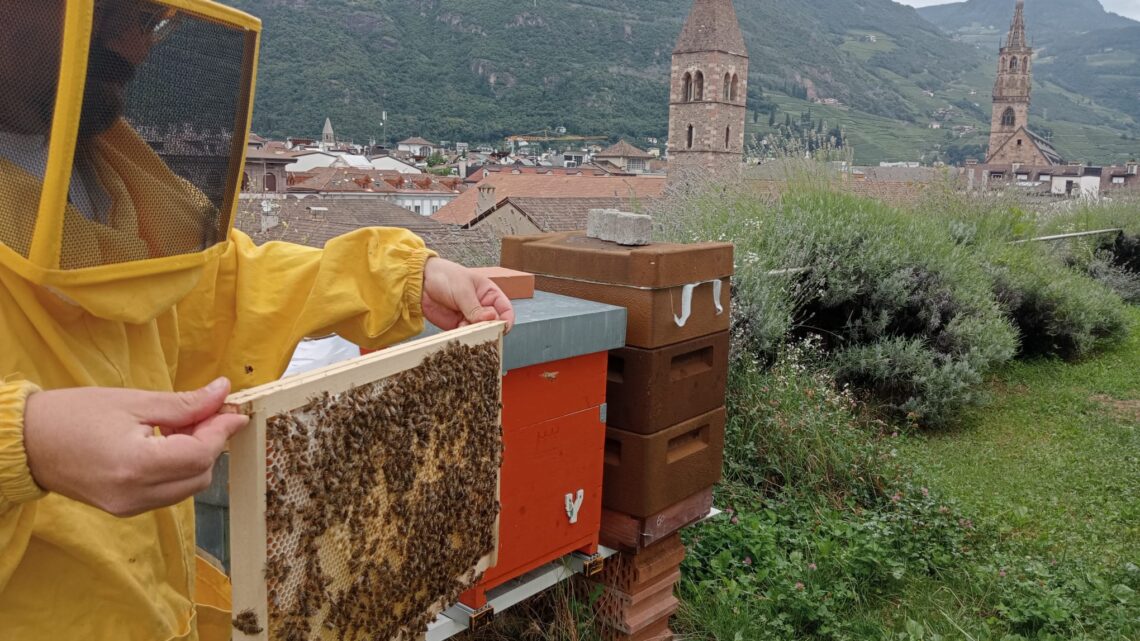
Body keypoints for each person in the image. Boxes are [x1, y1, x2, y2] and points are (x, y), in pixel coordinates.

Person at [0, 1, 514, 639]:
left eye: (155, 18)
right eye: (115, 8)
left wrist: (401, 277)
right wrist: (26, 441)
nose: (139, 40)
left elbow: (214, 291)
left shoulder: (108, 169)